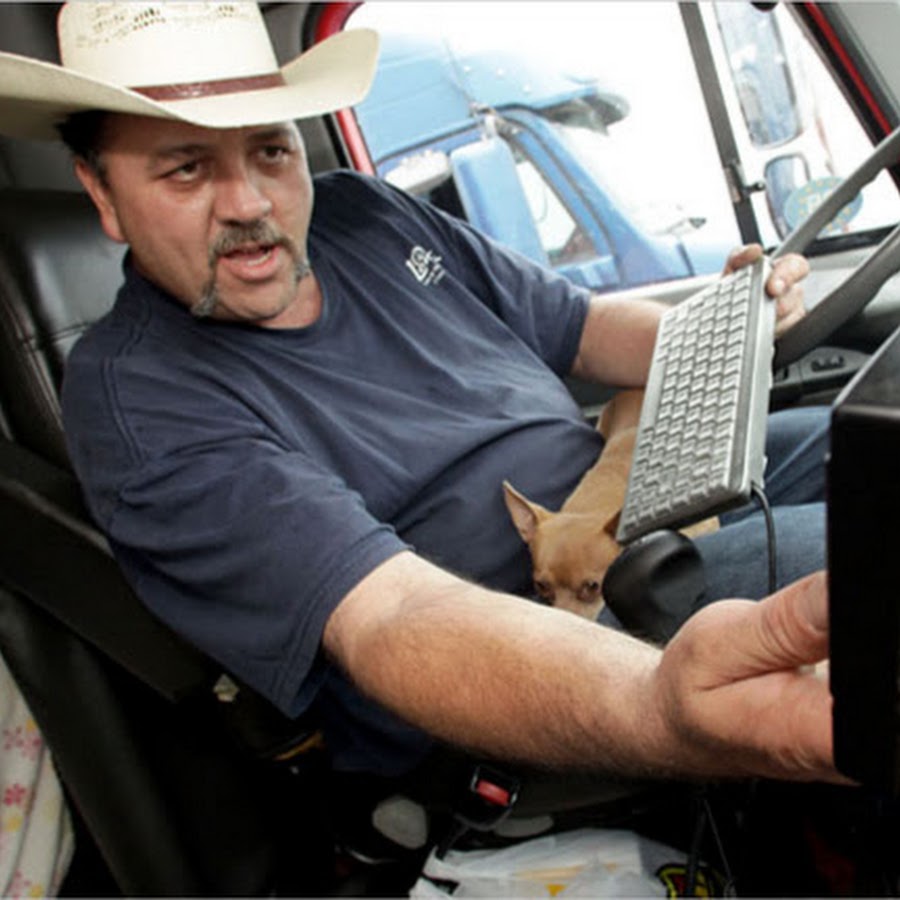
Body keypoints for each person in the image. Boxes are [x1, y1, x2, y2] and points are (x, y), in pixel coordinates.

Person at [0, 1, 840, 798]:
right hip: (537, 634)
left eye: (271, 151)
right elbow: (391, 616)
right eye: (186, 169)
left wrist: (729, 321)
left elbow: (578, 328)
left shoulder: (364, 214)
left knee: (872, 440)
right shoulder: (140, 402)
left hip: (623, 503)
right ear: (103, 194)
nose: (251, 205)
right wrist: (661, 704)